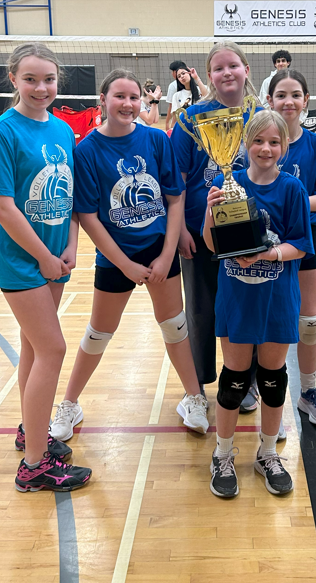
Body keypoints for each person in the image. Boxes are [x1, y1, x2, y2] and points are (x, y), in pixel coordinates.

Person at [50, 69, 208, 441]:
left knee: (174, 326)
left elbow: (174, 199)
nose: (127, 104)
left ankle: (194, 397)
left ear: (142, 100)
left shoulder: (155, 139)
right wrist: (124, 265)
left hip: (157, 251)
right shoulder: (86, 150)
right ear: (103, 100)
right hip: (115, 256)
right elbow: (87, 215)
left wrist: (166, 255)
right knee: (98, 333)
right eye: (119, 96)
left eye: (134, 97)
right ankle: (69, 403)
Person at [0, 43, 92, 492]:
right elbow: (4, 207)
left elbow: (70, 199)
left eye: (48, 79)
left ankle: (32, 430)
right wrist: (44, 257)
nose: (41, 88)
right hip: (21, 261)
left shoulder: (63, 130)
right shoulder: (1, 132)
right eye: (31, 79)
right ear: (14, 79)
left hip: (55, 258)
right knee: (53, 349)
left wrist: (70, 246)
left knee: (33, 348)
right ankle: (33, 466)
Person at [203, 109, 313, 498]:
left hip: (277, 299)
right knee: (233, 380)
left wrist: (268, 254)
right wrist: (210, 212)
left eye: (274, 142)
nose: (266, 148)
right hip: (237, 297)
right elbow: (212, 244)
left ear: (285, 147)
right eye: (259, 141)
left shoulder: (292, 189)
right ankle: (222, 454)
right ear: (244, 145)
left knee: (272, 378)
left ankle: (268, 453)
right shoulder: (226, 184)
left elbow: (301, 244)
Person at [170, 41, 263, 402]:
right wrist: (180, 229)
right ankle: (198, 385)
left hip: (247, 229)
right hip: (199, 228)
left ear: (246, 70)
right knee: (202, 309)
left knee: (245, 305)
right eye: (219, 68)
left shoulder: (259, 114)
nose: (227, 73)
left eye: (233, 66)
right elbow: (177, 179)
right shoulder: (190, 119)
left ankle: (246, 380)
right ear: (208, 75)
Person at [266, 69, 316, 424]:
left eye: (295, 95)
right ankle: (260, 391)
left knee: (309, 322)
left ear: (307, 100)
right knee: (265, 320)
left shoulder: (315, 145)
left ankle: (308, 391)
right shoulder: (260, 140)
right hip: (265, 244)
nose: (288, 101)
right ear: (269, 100)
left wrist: (291, 202)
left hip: (306, 241)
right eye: (281, 95)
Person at [165, 60, 188, 131]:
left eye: (172, 71)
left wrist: (167, 122)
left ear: (175, 72)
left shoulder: (173, 86)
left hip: (180, 119)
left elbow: (171, 106)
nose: (172, 74)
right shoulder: (191, 82)